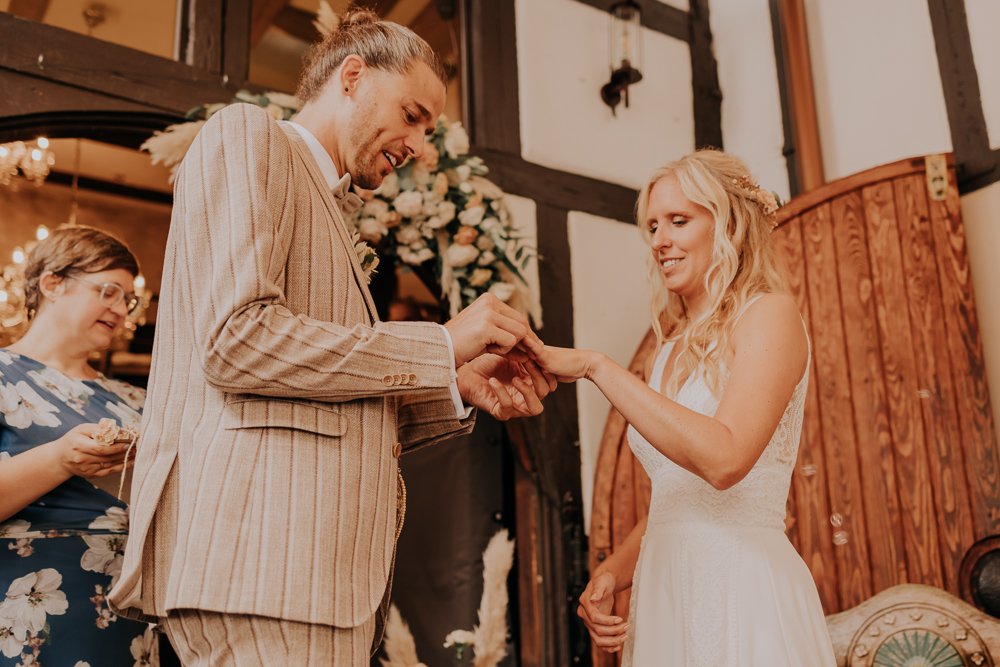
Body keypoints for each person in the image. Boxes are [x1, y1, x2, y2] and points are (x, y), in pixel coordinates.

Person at [108, 8, 554, 666]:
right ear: (352, 77)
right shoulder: (248, 137)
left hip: (306, 580)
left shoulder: (330, 203)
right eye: (414, 114)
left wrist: (451, 382)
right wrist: (436, 344)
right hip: (265, 570)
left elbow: (309, 383)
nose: (421, 145)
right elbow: (238, 340)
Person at [525, 150, 836, 666]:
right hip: (665, 594)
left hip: (744, 589)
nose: (659, 241)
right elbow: (676, 502)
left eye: (678, 220)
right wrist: (612, 572)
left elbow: (725, 460)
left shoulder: (769, 316)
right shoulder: (668, 349)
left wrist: (596, 366)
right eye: (651, 225)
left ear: (730, 225)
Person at [0, 226, 157, 666]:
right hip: (31, 597)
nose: (122, 310)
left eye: (128, 300)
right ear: (52, 283)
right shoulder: (3, 373)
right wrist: (59, 458)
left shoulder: (138, 400)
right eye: (109, 291)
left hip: (134, 600)